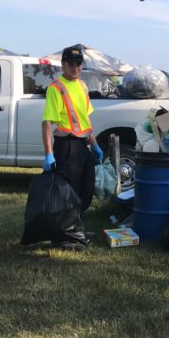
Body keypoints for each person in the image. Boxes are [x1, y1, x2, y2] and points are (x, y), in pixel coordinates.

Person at [41, 45, 104, 248]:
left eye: (79, 64)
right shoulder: (56, 88)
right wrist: (48, 153)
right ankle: (65, 236)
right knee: (70, 192)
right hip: (66, 146)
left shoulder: (82, 87)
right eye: (71, 64)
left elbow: (84, 120)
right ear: (63, 65)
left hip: (83, 145)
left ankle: (78, 229)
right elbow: (47, 122)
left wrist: (95, 145)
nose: (75, 68)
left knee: (86, 189)